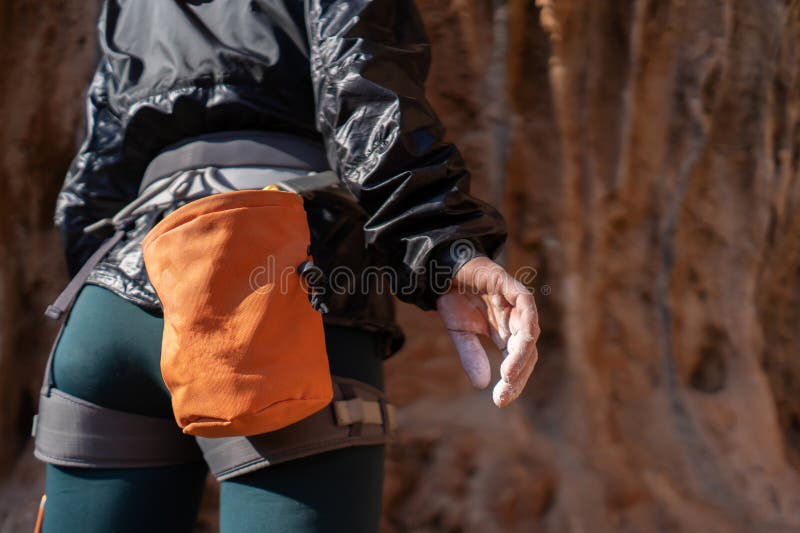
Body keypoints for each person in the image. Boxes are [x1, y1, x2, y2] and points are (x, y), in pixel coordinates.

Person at [32, 1, 540, 532]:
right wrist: (444, 246)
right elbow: (361, 85)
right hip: (278, 282)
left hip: (112, 304)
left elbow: (97, 170)